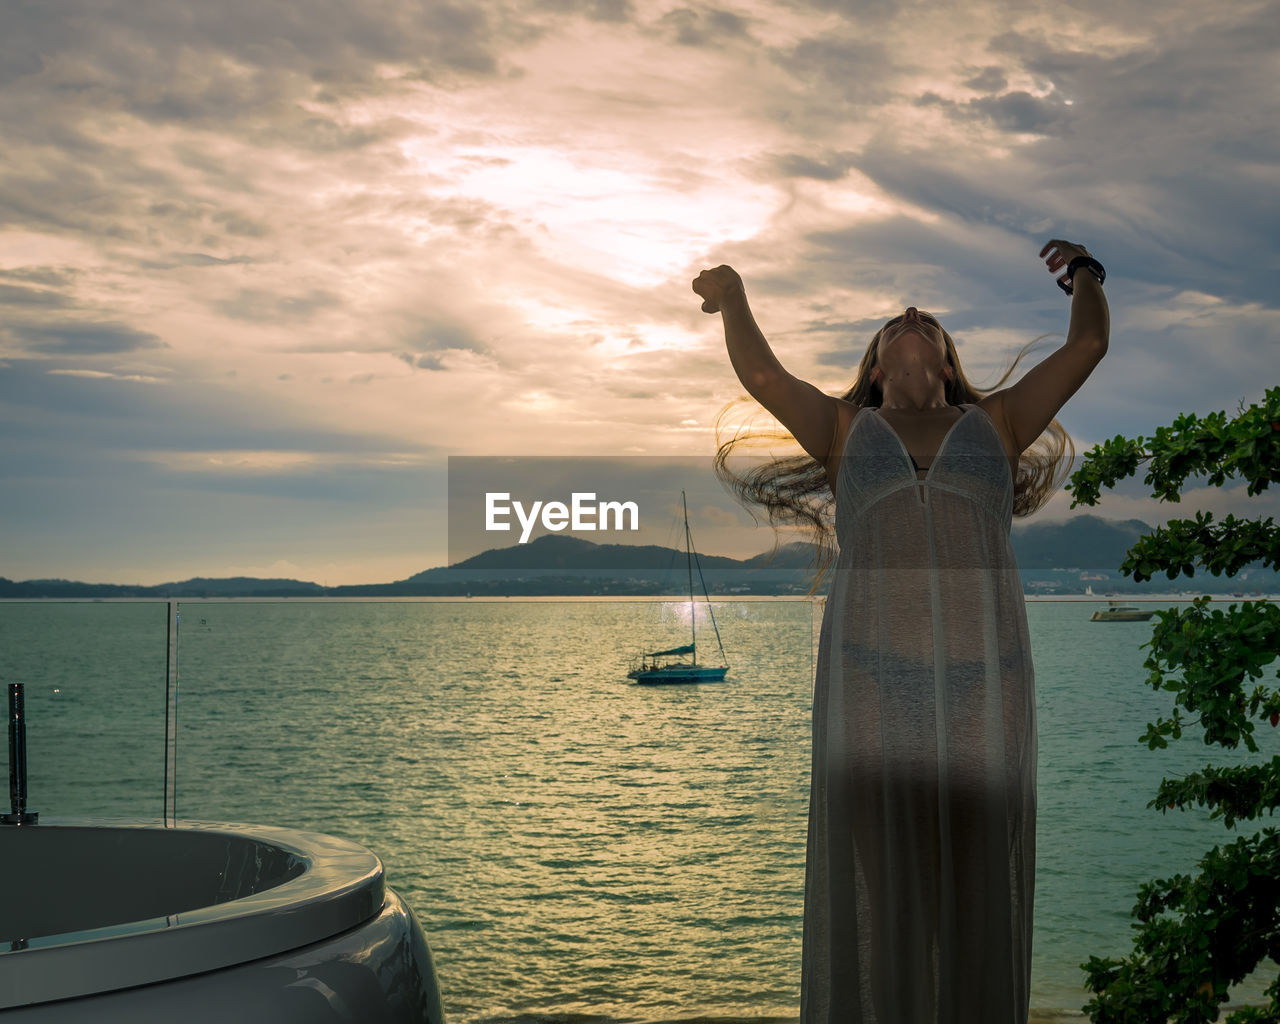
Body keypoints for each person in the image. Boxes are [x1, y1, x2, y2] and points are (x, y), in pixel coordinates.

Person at [692, 241, 1109, 1024]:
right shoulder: (846, 431)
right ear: (879, 367)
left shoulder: (1001, 421)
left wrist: (1084, 270)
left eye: (925, 319)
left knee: (975, 897)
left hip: (985, 687)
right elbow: (764, 377)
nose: (911, 316)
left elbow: (1088, 344)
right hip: (872, 681)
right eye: (893, 323)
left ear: (947, 364)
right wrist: (736, 297)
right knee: (888, 906)